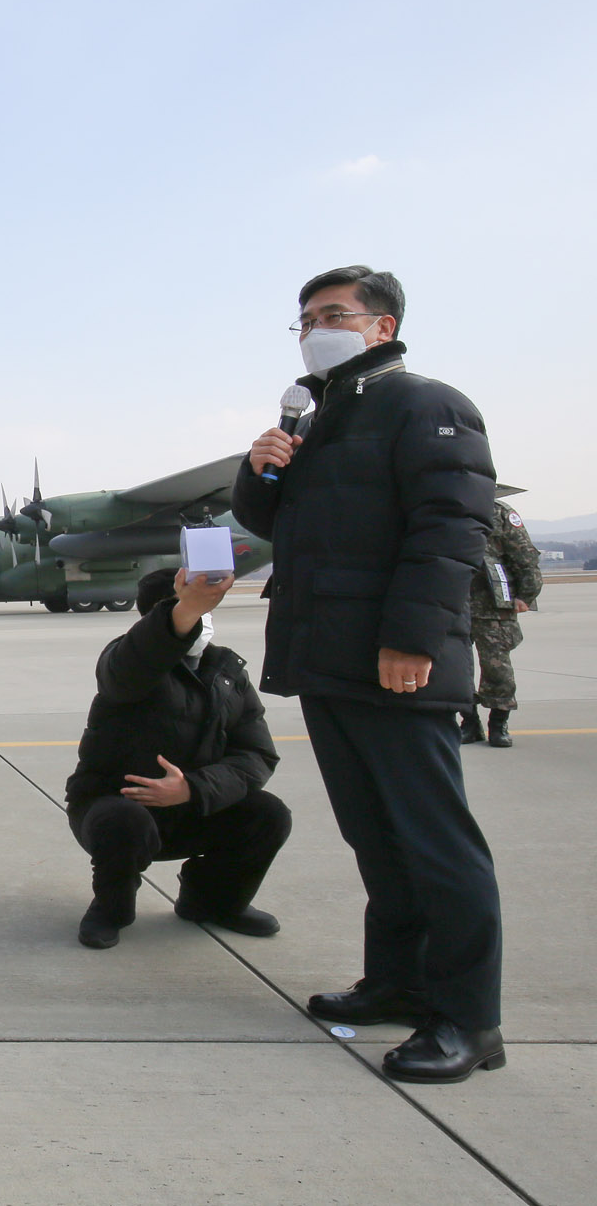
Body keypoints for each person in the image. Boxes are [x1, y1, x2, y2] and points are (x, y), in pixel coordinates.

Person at [234, 264, 504, 1084]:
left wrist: (413, 639)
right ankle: (397, 981)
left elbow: (450, 527)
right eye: (306, 319)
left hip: (395, 661)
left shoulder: (427, 405)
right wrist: (261, 466)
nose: (315, 330)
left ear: (382, 326)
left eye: (333, 314)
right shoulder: (321, 419)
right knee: (378, 839)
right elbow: (274, 524)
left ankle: (469, 1019)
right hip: (328, 659)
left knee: (436, 842)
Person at [66, 569, 290, 949]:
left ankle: (212, 902)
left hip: (192, 806)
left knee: (269, 814)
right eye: (187, 608)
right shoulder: (125, 664)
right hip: (117, 807)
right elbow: (141, 656)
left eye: (205, 608)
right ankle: (111, 910)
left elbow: (256, 754)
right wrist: (184, 610)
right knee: (124, 821)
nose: (200, 618)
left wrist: (193, 789)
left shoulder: (227, 673)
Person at [460, 498, 541, 748]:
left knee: (497, 668)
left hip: (493, 604)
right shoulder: (441, 506)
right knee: (455, 668)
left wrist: (526, 594)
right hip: (452, 603)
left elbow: (524, 555)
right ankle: (469, 722)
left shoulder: (498, 512)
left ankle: (498, 723)